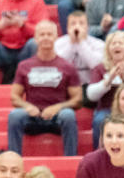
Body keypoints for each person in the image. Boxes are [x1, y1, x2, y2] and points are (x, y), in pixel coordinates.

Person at [8, 20, 82, 156]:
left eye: (49, 34)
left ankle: (70, 159)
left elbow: (78, 99)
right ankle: (14, 158)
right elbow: (14, 97)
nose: (46, 37)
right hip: (33, 116)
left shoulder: (67, 67)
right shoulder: (24, 66)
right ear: (36, 38)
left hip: (57, 118)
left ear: (56, 37)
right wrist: (27, 106)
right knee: (15, 115)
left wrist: (57, 108)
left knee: (69, 115)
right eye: (42, 34)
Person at [87, 30, 124, 150]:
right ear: (108, 49)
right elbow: (91, 95)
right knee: (99, 120)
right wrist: (108, 80)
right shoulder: (100, 68)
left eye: (120, 43)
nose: (117, 46)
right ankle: (99, 153)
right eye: (113, 44)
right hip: (106, 109)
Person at [54, 10, 104, 86]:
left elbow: (95, 65)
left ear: (88, 26)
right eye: (73, 23)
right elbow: (59, 65)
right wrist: (72, 43)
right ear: (67, 27)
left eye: (81, 23)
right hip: (65, 85)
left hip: (89, 85)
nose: (77, 27)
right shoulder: (58, 43)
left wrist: (81, 43)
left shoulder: (98, 43)